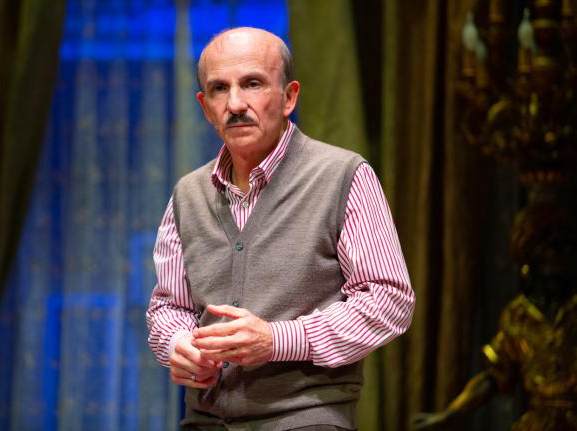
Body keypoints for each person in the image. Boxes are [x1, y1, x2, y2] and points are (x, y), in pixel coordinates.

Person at [146, 26, 415, 430]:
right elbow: (170, 306)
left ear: (289, 97)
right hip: (206, 420)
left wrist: (278, 341)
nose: (235, 103)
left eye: (252, 84)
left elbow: (389, 300)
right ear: (205, 106)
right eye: (219, 89)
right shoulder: (188, 194)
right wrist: (178, 344)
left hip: (306, 419)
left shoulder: (343, 176)